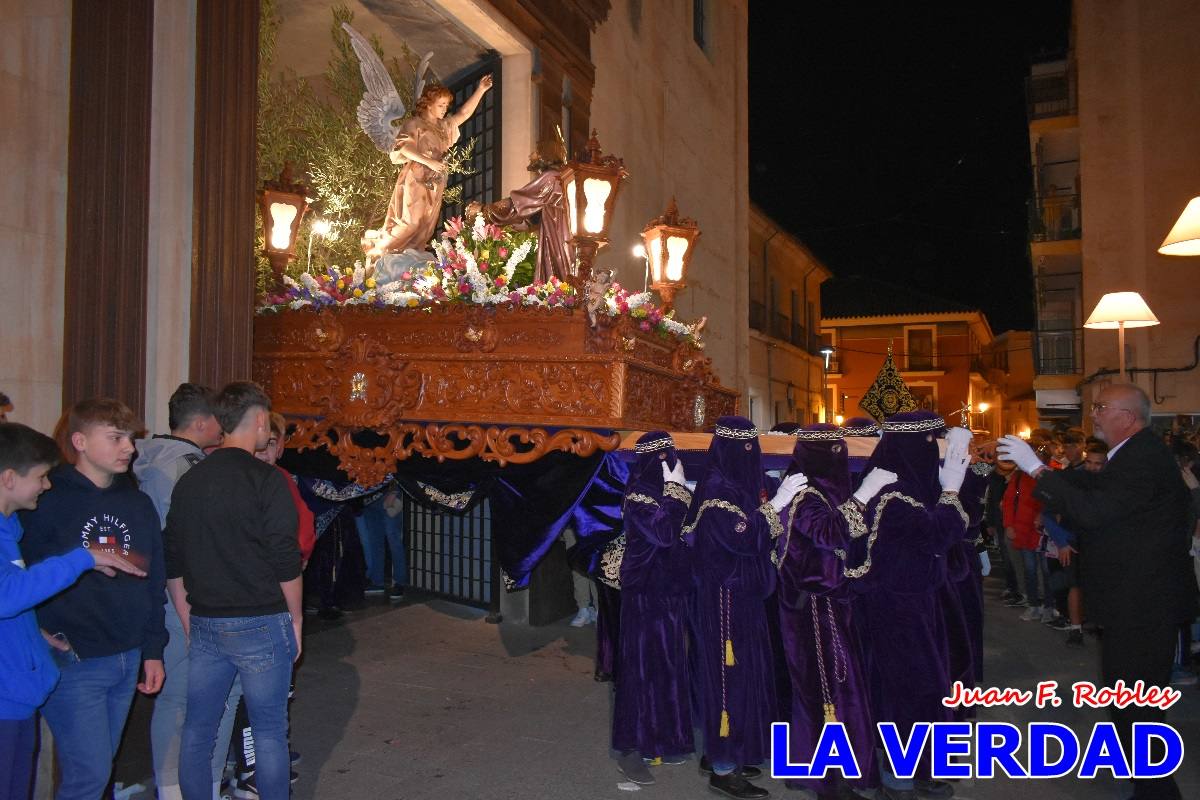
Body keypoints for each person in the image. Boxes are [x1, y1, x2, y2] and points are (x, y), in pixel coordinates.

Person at [999, 382, 1198, 800]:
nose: (1093, 414)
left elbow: (1094, 511)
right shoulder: (1131, 454)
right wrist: (1046, 472)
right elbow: (1092, 494)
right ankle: (1146, 784)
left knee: (1137, 702)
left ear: (1128, 416)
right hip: (1137, 597)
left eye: (1101, 407)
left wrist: (1037, 470)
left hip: (1143, 600)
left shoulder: (1142, 456)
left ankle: (1157, 792)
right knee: (1129, 698)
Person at [20, 399, 167, 800]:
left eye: (131, 439)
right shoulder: (46, 501)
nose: (129, 448)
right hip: (77, 657)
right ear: (80, 441)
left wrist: (152, 649)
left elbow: (153, 581)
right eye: (117, 438)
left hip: (128, 652)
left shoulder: (137, 502)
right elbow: (20, 576)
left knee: (97, 773)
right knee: (89, 775)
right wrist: (35, 629)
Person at [165, 382, 302, 800]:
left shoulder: (191, 479)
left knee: (198, 731)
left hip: (207, 620)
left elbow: (173, 558)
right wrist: (295, 618)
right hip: (261, 619)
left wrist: (188, 617)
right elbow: (285, 559)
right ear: (260, 419)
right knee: (268, 733)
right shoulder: (267, 480)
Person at [848, 412, 970, 800]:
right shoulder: (894, 494)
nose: (934, 451)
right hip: (897, 607)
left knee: (921, 689)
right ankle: (899, 778)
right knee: (908, 690)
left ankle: (916, 770)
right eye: (929, 443)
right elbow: (936, 534)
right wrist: (952, 493)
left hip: (912, 603)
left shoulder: (905, 488)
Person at [684, 416, 806, 800]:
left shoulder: (736, 485)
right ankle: (723, 767)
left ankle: (727, 752)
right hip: (724, 602)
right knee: (726, 681)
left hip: (741, 598)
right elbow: (742, 536)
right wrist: (778, 505)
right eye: (746, 449)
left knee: (743, 678)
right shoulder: (719, 491)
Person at [775, 423, 890, 800]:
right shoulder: (806, 495)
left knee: (833, 688)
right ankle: (826, 778)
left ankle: (819, 768)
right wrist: (864, 495)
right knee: (826, 691)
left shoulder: (816, 493)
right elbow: (830, 534)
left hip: (827, 603)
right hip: (814, 606)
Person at [133, 383, 235, 800]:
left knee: (183, 698)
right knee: (187, 698)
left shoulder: (150, 460)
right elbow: (185, 543)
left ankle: (182, 787)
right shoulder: (182, 469)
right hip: (187, 600)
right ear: (201, 423)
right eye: (218, 420)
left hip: (171, 596)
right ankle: (182, 788)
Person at [610, 432, 695, 785]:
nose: (669, 463)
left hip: (669, 593)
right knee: (641, 671)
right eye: (662, 458)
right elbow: (662, 532)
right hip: (644, 596)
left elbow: (681, 535)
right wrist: (677, 493)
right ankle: (633, 746)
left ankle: (664, 739)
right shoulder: (638, 497)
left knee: (668, 666)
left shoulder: (665, 493)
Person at [374, 77, 493, 256]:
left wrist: (481, 89)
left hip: (436, 181)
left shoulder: (443, 126)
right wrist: (429, 161)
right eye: (441, 105)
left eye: (446, 105)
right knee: (411, 221)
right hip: (417, 177)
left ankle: (411, 254)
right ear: (429, 104)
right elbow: (405, 147)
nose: (445, 109)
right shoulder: (415, 124)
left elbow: (464, 113)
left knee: (425, 225)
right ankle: (382, 250)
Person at [471, 138, 572, 282]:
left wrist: (483, 210)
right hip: (557, 238)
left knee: (558, 285)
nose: (531, 154)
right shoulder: (558, 178)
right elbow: (532, 218)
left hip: (558, 242)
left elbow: (516, 205)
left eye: (536, 151)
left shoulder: (550, 178)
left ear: (545, 154)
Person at [355, 484, 405, 601]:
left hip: (383, 493)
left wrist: (394, 491)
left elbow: (397, 468)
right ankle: (378, 580)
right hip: (369, 497)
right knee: (375, 541)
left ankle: (398, 581)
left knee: (392, 538)